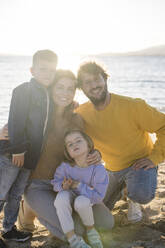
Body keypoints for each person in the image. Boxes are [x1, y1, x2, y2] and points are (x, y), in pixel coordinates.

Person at [7, 69, 114, 245]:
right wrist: (3, 132)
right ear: (51, 88)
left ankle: (45, 208)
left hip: (68, 184)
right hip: (38, 185)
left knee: (106, 223)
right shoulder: (35, 116)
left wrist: (96, 153)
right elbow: (14, 127)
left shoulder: (76, 119)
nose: (65, 93)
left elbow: (83, 146)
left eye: (70, 89)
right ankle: (29, 208)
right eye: (60, 87)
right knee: (76, 230)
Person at [76, 61, 165, 223]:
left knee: (141, 194)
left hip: (140, 164)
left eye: (97, 79)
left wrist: (155, 158)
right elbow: (77, 139)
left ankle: (134, 200)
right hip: (111, 169)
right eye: (87, 82)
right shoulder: (81, 113)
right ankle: (124, 189)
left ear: (105, 80)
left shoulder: (133, 106)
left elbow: (163, 125)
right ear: (81, 88)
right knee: (97, 209)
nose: (94, 85)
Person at [0, 50, 57, 246]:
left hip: (31, 157)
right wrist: (17, 149)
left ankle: (8, 229)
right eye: (43, 69)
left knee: (16, 194)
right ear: (32, 70)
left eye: (52, 70)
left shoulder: (50, 95)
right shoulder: (23, 90)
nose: (48, 74)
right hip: (13, 154)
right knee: (2, 191)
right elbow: (15, 121)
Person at [52, 130, 108, 248]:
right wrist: (63, 186)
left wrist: (78, 185)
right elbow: (55, 182)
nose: (74, 145)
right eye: (70, 144)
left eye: (78, 141)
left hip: (87, 199)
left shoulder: (98, 169)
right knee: (60, 197)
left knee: (81, 201)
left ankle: (91, 231)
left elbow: (98, 197)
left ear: (88, 144)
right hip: (69, 197)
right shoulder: (65, 166)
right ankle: (73, 239)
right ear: (67, 152)